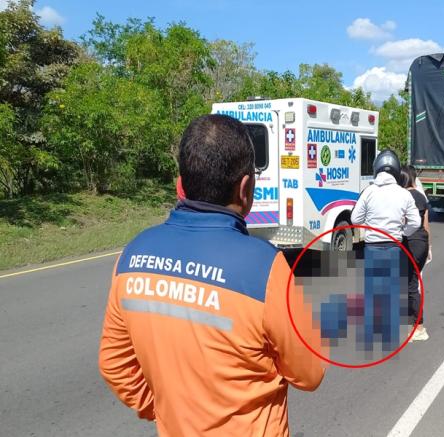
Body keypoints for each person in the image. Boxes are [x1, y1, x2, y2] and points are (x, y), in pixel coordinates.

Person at [98, 114, 325, 436]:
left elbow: (115, 365)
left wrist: (165, 410)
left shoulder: (131, 256)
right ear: (245, 188)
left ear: (180, 185)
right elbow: (309, 373)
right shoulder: (266, 267)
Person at [351, 150, 421, 351]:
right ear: (397, 170)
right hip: (394, 247)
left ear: (377, 169)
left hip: (372, 247)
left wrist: (370, 225)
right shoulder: (404, 194)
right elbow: (415, 222)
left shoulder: (369, 192)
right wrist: (402, 231)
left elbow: (355, 219)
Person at [399, 165, 432, 342]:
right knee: (412, 283)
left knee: (410, 285)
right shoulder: (421, 196)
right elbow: (426, 225)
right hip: (422, 243)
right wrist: (429, 247)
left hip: (410, 243)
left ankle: (418, 327)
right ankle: (414, 323)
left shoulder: (402, 196)